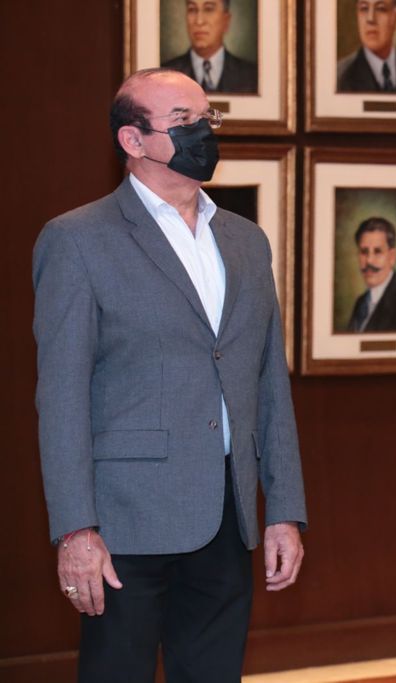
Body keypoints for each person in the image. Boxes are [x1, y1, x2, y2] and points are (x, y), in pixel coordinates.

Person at [32, 68, 307, 682]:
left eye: (208, 118)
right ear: (133, 140)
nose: (203, 132)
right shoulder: (77, 240)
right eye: (183, 121)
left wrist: (284, 508)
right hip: (124, 524)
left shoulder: (246, 240)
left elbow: (269, 383)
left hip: (228, 516)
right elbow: (62, 397)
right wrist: (76, 529)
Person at [162, 0, 258, 94]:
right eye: (192, 9)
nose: (199, 21)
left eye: (208, 9)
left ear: (226, 20)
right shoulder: (165, 75)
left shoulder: (252, 76)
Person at [346, 216, 396, 332]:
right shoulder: (360, 303)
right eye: (364, 252)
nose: (369, 261)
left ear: (392, 257)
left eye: (377, 252)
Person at [336, 0, 396, 94]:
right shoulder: (338, 77)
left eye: (380, 9)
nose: (370, 19)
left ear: (395, 19)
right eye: (364, 8)